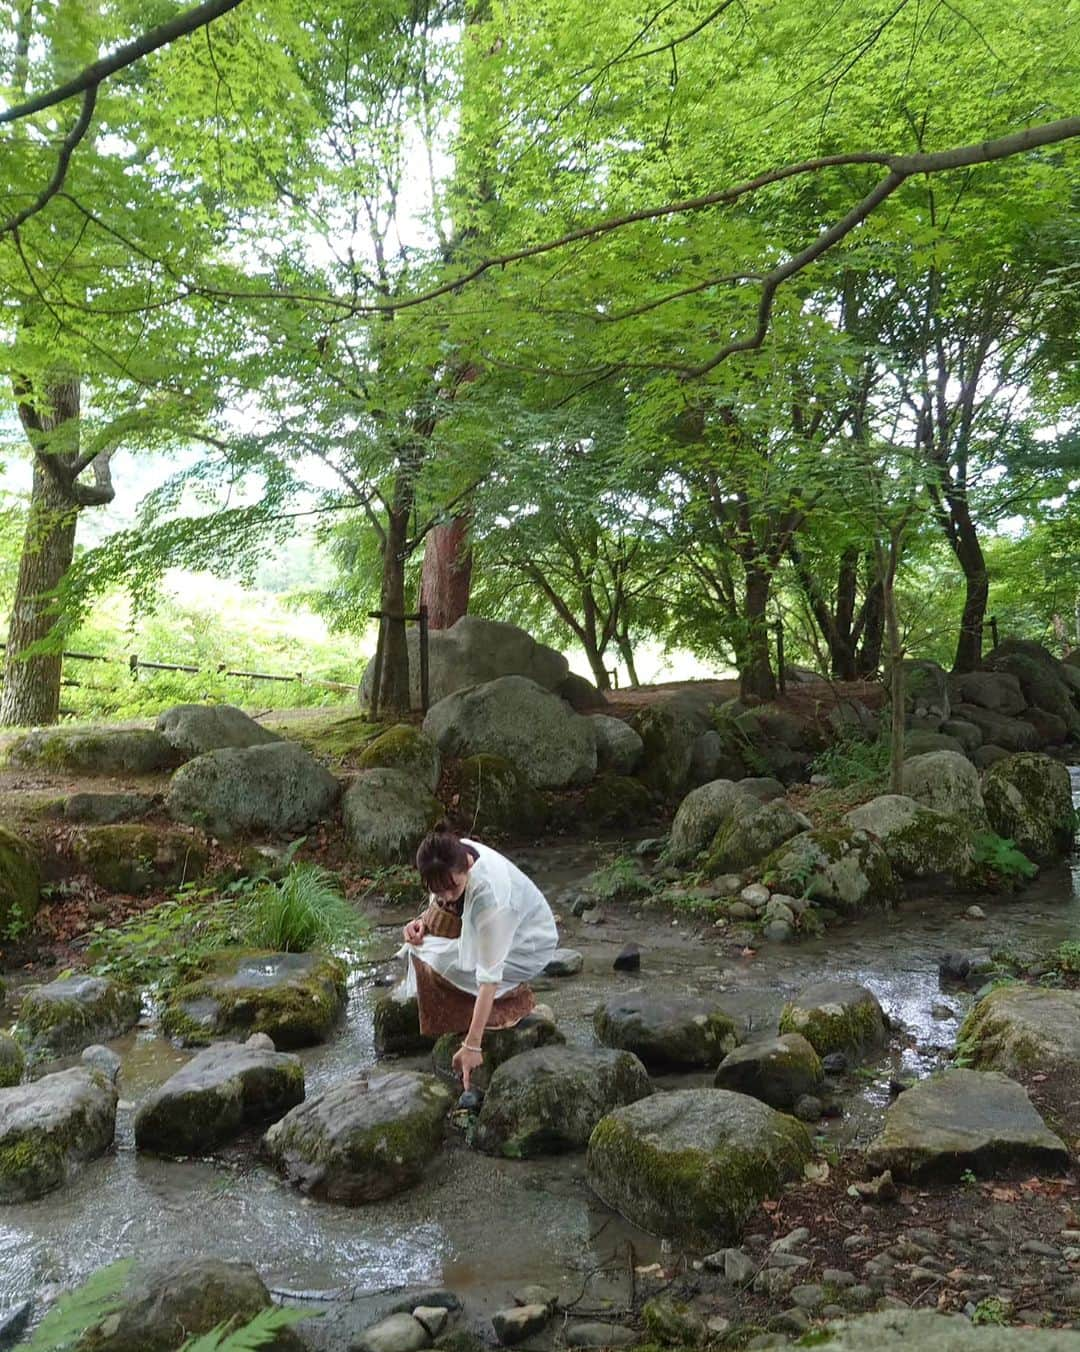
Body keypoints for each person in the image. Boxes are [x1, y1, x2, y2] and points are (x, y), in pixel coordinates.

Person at [399, 823, 558, 1091]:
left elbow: (488, 977)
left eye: (453, 888)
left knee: (436, 963)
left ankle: (508, 1006)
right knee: (420, 947)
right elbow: (440, 902)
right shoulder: (449, 852)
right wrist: (421, 922)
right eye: (439, 891)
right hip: (498, 929)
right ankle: (481, 1005)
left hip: (528, 943)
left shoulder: (489, 898)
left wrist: (472, 1045)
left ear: (467, 867)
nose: (447, 897)